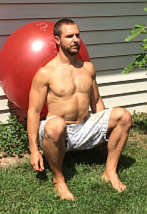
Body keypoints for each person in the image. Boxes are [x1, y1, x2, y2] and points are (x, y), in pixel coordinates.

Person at [27, 18, 131, 201]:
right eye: (69, 36)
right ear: (57, 40)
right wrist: (34, 150)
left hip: (84, 125)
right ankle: (58, 179)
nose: (75, 39)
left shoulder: (87, 68)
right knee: (56, 125)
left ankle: (110, 172)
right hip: (59, 130)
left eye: (78, 35)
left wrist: (103, 128)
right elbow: (34, 112)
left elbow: (96, 101)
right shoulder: (46, 73)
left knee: (123, 115)